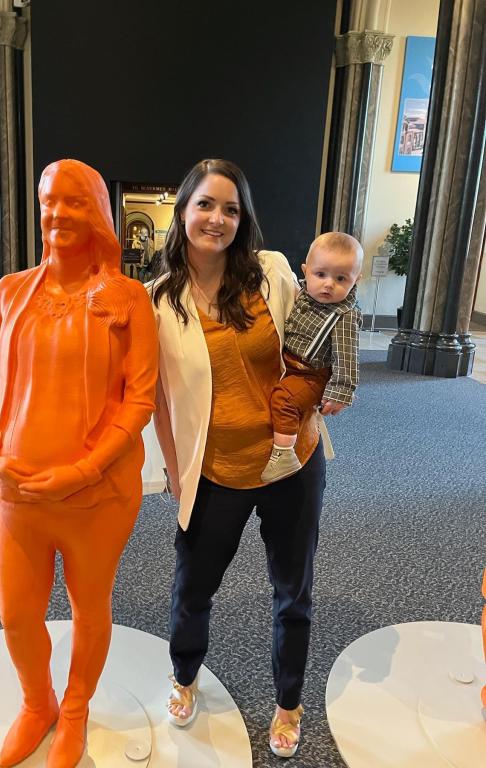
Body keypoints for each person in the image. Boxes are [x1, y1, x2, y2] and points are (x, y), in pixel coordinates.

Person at [0, 159, 158, 768]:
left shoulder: (128, 299)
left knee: (88, 606)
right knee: (17, 614)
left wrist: (83, 470)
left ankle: (74, 711)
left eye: (73, 202)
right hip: (18, 492)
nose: (57, 214)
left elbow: (140, 400)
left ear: (98, 213)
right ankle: (37, 703)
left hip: (97, 496)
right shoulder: (10, 292)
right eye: (49, 201)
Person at [148, 158, 329, 759]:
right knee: (193, 588)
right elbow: (157, 397)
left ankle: (289, 701)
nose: (217, 219)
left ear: (243, 218)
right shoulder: (159, 300)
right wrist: (174, 467)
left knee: (292, 591)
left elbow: (320, 334)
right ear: (182, 210)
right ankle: (184, 676)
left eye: (231, 208)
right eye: (206, 204)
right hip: (215, 471)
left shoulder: (272, 274)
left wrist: (335, 384)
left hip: (290, 464)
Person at [261, 232, 363, 483]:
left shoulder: (344, 315)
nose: (329, 284)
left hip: (312, 374)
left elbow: (347, 358)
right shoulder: (303, 295)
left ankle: (284, 455)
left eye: (341, 278)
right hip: (291, 363)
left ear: (356, 280)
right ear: (306, 271)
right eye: (321, 275)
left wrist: (340, 394)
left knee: (284, 400)